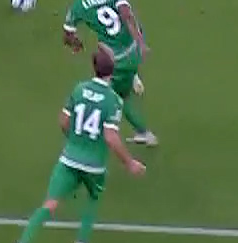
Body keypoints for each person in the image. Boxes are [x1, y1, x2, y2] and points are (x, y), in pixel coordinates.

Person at [16, 47, 146, 243]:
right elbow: (111, 137)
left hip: (69, 159)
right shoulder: (113, 100)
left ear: (94, 68)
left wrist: (75, 139)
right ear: (112, 70)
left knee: (49, 204)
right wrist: (130, 163)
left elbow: (63, 121)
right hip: (94, 166)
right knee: (92, 200)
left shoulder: (79, 89)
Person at [63, 0, 156, 146]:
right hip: (134, 50)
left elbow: (68, 33)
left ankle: (145, 134)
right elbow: (126, 15)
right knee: (128, 28)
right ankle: (133, 75)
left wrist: (76, 44)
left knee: (120, 97)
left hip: (118, 63)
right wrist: (141, 43)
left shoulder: (80, 3)